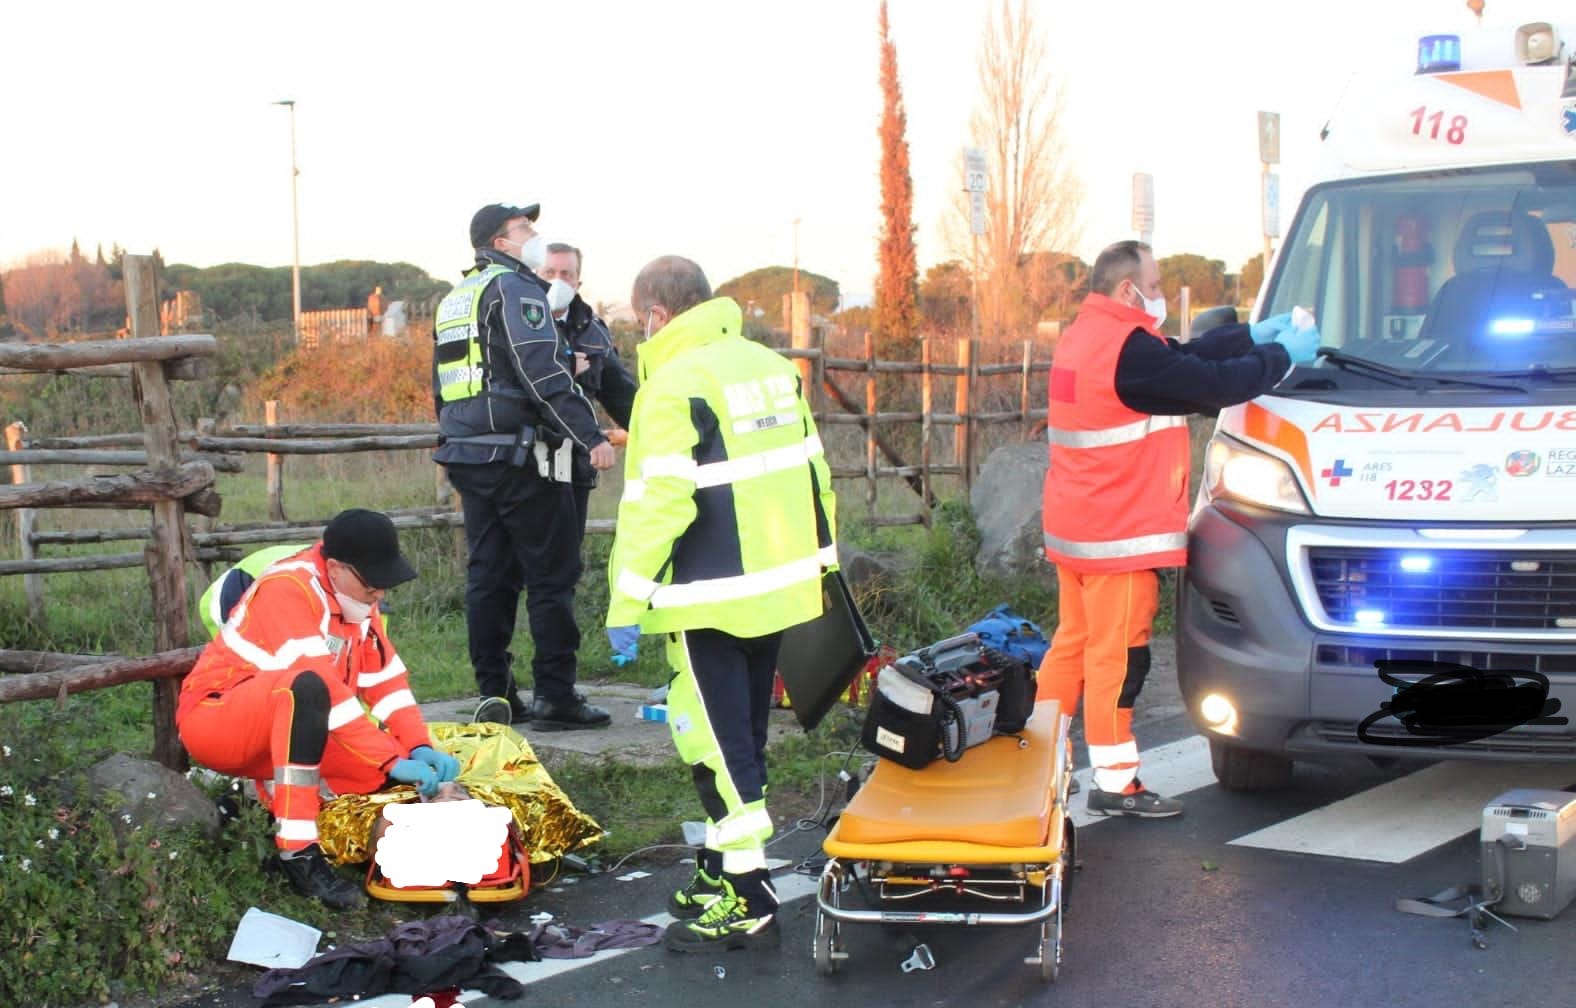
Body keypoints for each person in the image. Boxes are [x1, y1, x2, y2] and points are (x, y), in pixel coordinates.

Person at [606, 255, 839, 952]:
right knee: (742, 731)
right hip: (779, 585)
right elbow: (814, 471)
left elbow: (660, 502)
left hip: (710, 596)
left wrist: (628, 598)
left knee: (714, 736)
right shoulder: (768, 366)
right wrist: (822, 567)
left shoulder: (673, 383)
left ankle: (748, 891)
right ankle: (718, 863)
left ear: (655, 315)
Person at [1039, 239, 1318, 818]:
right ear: (1126, 289)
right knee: (1117, 660)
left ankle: (1038, 766)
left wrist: (1251, 336)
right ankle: (1116, 784)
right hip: (1120, 536)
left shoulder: (1090, 337)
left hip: (1080, 528)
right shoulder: (1129, 351)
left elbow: (1183, 356)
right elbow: (1208, 385)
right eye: (1157, 284)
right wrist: (1282, 359)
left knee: (1072, 647)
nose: (1161, 293)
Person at [176, 509, 462, 908]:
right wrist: (388, 758)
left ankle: (253, 808)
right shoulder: (287, 588)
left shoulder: (357, 600)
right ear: (335, 568)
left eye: (384, 585)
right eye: (373, 584)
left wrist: (416, 746)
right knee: (308, 691)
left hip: (287, 722)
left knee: (383, 778)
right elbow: (321, 688)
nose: (380, 594)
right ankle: (298, 855)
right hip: (216, 722)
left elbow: (386, 682)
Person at [432, 203, 616, 731]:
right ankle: (557, 696)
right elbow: (542, 372)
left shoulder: (455, 298)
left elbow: (442, 385)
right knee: (551, 577)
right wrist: (590, 437)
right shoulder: (515, 289)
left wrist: (454, 440)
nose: (534, 236)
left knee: (488, 576)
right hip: (521, 457)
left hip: (468, 453)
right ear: (500, 241)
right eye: (525, 230)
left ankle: (495, 694)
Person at [539, 242, 643, 669]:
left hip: (574, 463)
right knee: (510, 572)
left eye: (566, 275)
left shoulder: (593, 330)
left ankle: (557, 678)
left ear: (579, 281)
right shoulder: (516, 321)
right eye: (550, 274)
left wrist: (657, 424)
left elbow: (620, 391)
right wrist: (566, 365)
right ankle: (502, 682)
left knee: (563, 568)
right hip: (521, 461)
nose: (558, 283)